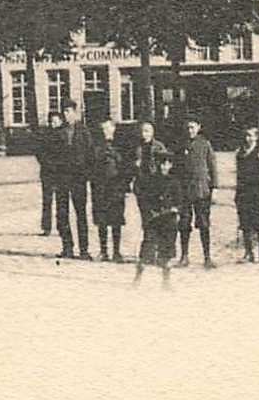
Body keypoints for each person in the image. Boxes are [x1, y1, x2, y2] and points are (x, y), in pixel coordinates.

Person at [133, 143, 180, 289]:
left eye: (167, 164)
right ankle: (137, 279)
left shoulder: (174, 182)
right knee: (147, 249)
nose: (164, 167)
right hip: (153, 220)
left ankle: (166, 282)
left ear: (171, 165)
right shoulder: (149, 180)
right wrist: (148, 213)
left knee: (167, 251)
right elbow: (143, 198)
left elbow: (179, 201)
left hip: (168, 221)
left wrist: (175, 210)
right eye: (161, 163)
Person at [175, 117, 219, 268]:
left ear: (199, 127)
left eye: (193, 127)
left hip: (201, 190)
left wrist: (214, 187)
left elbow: (212, 166)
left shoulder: (205, 144)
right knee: (184, 223)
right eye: (187, 127)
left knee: (204, 223)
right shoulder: (181, 144)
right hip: (184, 190)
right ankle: (184, 256)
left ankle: (207, 257)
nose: (190, 130)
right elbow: (176, 167)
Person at [54, 101, 93, 259]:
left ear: (76, 113)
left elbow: (90, 154)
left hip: (78, 179)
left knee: (81, 213)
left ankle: (84, 250)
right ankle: (67, 247)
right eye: (64, 111)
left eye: (69, 111)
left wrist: (85, 174)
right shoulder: (58, 132)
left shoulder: (84, 131)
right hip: (62, 178)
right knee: (62, 214)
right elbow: (52, 155)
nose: (66, 114)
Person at [90, 117, 130, 262]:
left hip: (116, 187)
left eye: (108, 128)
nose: (106, 131)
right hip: (101, 187)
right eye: (103, 129)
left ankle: (117, 252)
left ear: (113, 128)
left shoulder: (121, 145)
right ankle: (103, 251)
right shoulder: (97, 146)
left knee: (116, 219)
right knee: (102, 220)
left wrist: (124, 185)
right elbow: (92, 164)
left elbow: (126, 166)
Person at [235, 124, 259, 263]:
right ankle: (248, 251)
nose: (247, 138)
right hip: (243, 190)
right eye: (246, 135)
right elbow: (238, 172)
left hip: (256, 189)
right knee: (244, 221)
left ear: (256, 137)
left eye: (250, 135)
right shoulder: (240, 152)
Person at [36, 110, 63, 237]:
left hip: (60, 173)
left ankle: (61, 226)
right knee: (47, 201)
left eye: (55, 121)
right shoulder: (44, 136)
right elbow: (39, 152)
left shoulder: (64, 135)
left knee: (60, 201)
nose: (53, 124)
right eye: (51, 122)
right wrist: (47, 163)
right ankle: (46, 227)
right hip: (47, 172)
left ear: (60, 122)